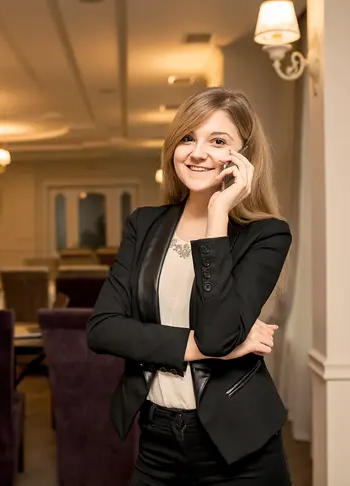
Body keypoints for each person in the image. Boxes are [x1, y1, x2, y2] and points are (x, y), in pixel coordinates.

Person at [87, 87, 292, 485]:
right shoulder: (143, 224)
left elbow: (218, 334)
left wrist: (218, 215)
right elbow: (102, 329)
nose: (197, 152)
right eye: (187, 138)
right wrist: (202, 347)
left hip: (239, 446)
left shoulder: (266, 235)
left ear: (243, 156)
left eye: (218, 141)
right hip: (158, 437)